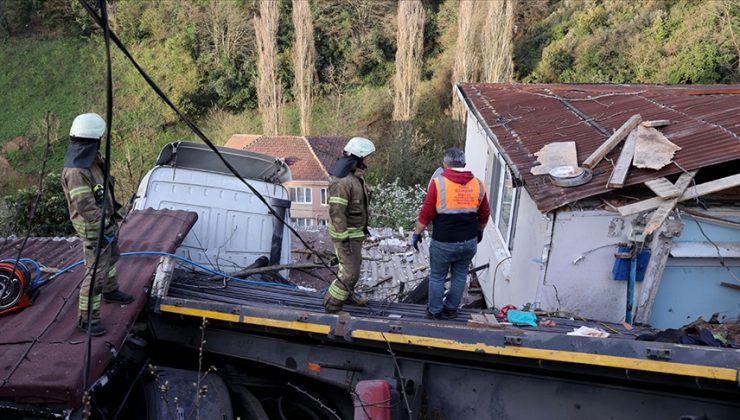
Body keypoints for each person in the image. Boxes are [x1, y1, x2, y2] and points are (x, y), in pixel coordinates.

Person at [62, 113, 134, 336]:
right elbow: (86, 206)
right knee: (95, 274)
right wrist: (103, 228)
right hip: (94, 227)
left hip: (106, 222)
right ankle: (87, 319)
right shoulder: (76, 171)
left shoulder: (91, 161)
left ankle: (111, 291)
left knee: (111, 258)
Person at [412, 147, 490, 319]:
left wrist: (417, 233)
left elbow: (426, 213)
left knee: (438, 276)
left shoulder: (438, 183)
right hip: (469, 241)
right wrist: (480, 231)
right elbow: (484, 213)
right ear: (464, 164)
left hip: (444, 242)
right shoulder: (478, 184)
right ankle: (451, 310)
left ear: (444, 164)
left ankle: (434, 311)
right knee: (460, 275)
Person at [323, 137, 375, 313]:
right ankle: (332, 305)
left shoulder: (355, 177)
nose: (370, 160)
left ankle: (346, 296)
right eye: (368, 156)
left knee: (353, 268)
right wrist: (343, 240)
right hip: (346, 236)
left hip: (355, 234)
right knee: (350, 273)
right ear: (359, 157)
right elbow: (336, 212)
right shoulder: (343, 181)